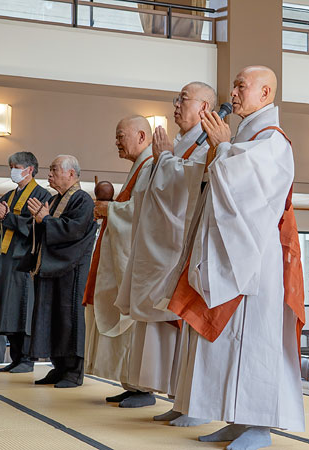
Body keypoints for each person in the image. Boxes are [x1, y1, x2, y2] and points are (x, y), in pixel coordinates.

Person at [165, 66, 306, 449]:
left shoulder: (273, 140)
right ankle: (236, 418)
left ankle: (259, 425)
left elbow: (251, 195)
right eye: (235, 86)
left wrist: (224, 149)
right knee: (228, 344)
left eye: (242, 86)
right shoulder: (245, 136)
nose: (234, 92)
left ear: (265, 93)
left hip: (256, 262)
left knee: (254, 343)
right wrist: (221, 149)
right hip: (233, 254)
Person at [113, 83, 216, 416]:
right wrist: (167, 157)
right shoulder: (180, 144)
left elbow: (186, 192)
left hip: (176, 249)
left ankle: (184, 401)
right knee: (150, 322)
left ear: (205, 107)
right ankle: (174, 397)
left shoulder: (206, 145)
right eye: (176, 99)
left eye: (183, 99)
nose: (176, 106)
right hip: (155, 246)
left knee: (173, 324)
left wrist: (166, 158)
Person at [82, 117, 154, 398]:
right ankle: (130, 384)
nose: (116, 142)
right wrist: (111, 210)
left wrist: (110, 210)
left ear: (141, 136)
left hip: (138, 264)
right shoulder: (140, 167)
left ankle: (141, 387)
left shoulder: (151, 165)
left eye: (120, 136)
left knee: (133, 323)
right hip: (122, 257)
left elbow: (144, 211)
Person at [19, 155, 97, 388]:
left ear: (71, 174)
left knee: (69, 318)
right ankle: (59, 367)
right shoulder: (54, 200)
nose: (49, 174)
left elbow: (73, 231)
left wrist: (45, 220)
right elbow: (43, 228)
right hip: (53, 268)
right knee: (51, 318)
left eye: (54, 170)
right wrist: (39, 221)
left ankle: (73, 372)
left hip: (72, 270)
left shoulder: (82, 200)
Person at [0, 151, 51, 374]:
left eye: (16, 167)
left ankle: (27, 359)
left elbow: (37, 226)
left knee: (24, 309)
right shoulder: (9, 195)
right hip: (5, 260)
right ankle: (15, 358)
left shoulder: (41, 196)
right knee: (8, 310)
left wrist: (7, 217)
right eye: (11, 167)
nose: (12, 171)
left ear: (29, 169)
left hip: (24, 262)